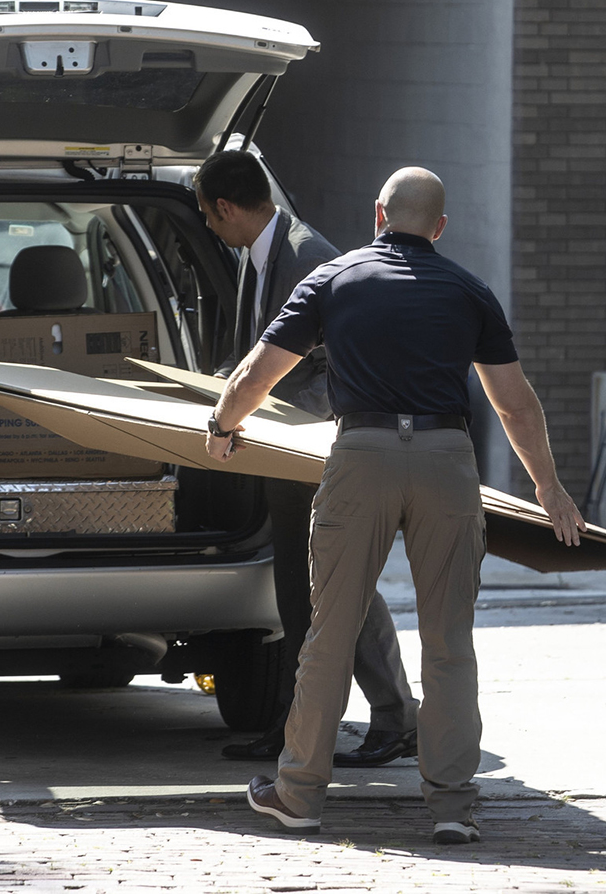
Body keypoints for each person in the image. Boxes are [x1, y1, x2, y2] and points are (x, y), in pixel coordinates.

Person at [204, 166, 585, 844]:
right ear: (438, 228)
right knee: (449, 642)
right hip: (446, 460)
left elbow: (259, 371)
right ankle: (451, 806)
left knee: (330, 630)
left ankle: (299, 794)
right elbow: (515, 403)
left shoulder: (332, 277)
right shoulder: (470, 291)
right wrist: (548, 487)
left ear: (377, 213)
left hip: (363, 454)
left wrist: (223, 425)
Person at [193, 150, 420, 766]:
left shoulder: (306, 256)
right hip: (280, 441)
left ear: (226, 207)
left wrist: (244, 405)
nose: (213, 233)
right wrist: (226, 383)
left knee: (338, 581)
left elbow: (326, 363)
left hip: (313, 442)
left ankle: (397, 716)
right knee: (298, 586)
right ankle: (296, 725)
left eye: (211, 221)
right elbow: (262, 347)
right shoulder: (260, 253)